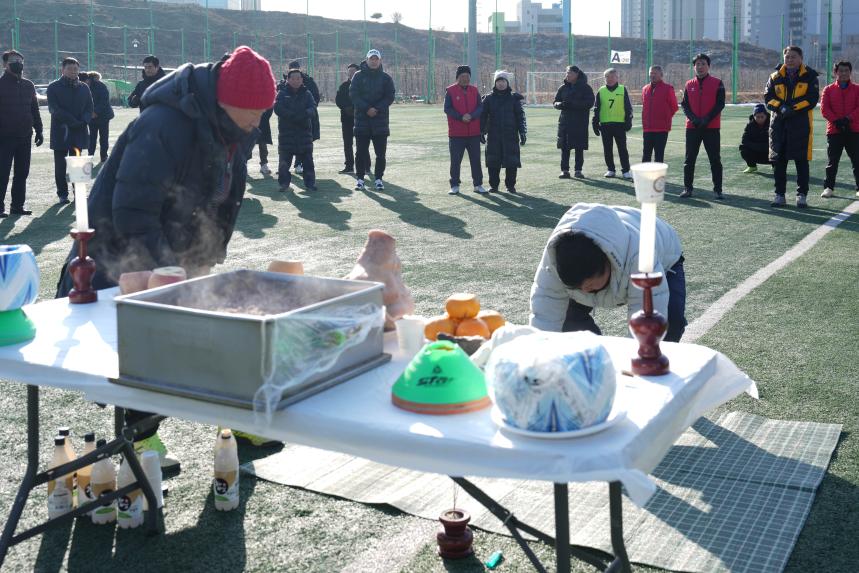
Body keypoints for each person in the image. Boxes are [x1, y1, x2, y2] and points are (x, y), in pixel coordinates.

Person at [55, 46, 276, 464]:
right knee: (145, 346)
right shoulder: (164, 123)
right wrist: (167, 273)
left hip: (176, 245)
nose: (258, 121)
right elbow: (132, 210)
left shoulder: (232, 129)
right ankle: (139, 439)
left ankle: (236, 418)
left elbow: (224, 198)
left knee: (221, 329)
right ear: (225, 99)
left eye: (264, 112)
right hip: (119, 253)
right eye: (254, 111)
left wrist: (208, 255)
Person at [529, 203, 686, 343]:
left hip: (664, 254)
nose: (584, 291)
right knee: (569, 318)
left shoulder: (640, 257)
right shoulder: (555, 259)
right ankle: (593, 359)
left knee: (670, 324)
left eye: (590, 284)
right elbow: (545, 313)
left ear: (608, 262)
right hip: (615, 235)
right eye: (576, 287)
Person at [765, 46, 819, 208]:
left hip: (800, 125)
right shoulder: (774, 77)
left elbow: (812, 98)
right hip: (778, 125)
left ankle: (801, 195)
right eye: (787, 57)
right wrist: (781, 107)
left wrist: (792, 108)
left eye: (793, 57)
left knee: (801, 162)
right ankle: (779, 195)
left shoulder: (810, 76)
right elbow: (768, 97)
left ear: (801, 58)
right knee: (778, 162)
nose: (790, 60)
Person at [0, 49, 43, 217]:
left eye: (20, 60)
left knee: (22, 172)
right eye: (13, 60)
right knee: (2, 173)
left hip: (25, 136)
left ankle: (17, 206)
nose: (18, 63)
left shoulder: (28, 85)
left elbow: (34, 109)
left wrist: (38, 130)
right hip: (4, 137)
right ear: (5, 64)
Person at [47, 57, 92, 206]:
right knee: (60, 166)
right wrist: (72, 121)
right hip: (61, 132)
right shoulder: (53, 87)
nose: (73, 72)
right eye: (70, 69)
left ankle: (78, 194)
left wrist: (84, 121)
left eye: (75, 69)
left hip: (78, 132)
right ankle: (62, 194)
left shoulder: (84, 87)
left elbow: (89, 108)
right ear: (63, 70)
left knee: (78, 164)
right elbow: (54, 109)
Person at [680, 53, 725, 200]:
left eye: (703, 64)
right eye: (697, 64)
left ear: (708, 66)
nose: (700, 67)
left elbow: (720, 104)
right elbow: (684, 105)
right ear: (694, 67)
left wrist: (707, 119)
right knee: (689, 160)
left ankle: (718, 190)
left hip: (711, 127)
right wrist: (693, 119)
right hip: (692, 127)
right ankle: (688, 188)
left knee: (715, 159)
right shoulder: (688, 84)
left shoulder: (718, 83)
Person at [350, 49, 395, 191]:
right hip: (362, 121)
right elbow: (353, 95)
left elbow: (389, 96)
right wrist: (367, 108)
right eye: (371, 59)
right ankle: (360, 179)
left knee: (380, 154)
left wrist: (376, 109)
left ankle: (378, 179)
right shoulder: (357, 76)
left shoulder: (386, 78)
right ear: (367, 60)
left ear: (380, 61)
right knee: (360, 153)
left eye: (376, 59)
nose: (374, 61)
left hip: (380, 122)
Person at [480, 70, 526, 194]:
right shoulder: (488, 99)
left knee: (512, 162)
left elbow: (520, 116)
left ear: (507, 82)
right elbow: (483, 116)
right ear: (495, 83)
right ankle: (494, 186)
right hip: (493, 136)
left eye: (503, 81)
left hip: (510, 135)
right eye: (498, 81)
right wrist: (481, 132)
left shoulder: (514, 98)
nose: (501, 83)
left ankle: (511, 186)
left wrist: (522, 132)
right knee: (493, 162)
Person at [819, 60, 859, 199]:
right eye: (840, 71)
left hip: (854, 130)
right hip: (834, 130)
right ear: (835, 73)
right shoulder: (828, 89)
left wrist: (848, 119)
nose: (843, 73)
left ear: (850, 72)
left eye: (846, 70)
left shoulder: (857, 89)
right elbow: (824, 109)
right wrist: (836, 121)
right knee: (832, 161)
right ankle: (829, 187)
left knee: (857, 160)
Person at [444, 64, 486, 195]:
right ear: (458, 77)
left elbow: (480, 107)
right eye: (462, 76)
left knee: (476, 160)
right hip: (456, 134)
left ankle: (478, 184)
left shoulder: (475, 90)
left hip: (473, 133)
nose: (465, 78)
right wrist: (461, 117)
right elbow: (447, 109)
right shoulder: (450, 91)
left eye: (467, 76)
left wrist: (471, 116)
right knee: (455, 161)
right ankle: (455, 185)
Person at [275, 68, 318, 192]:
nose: (295, 80)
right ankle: (284, 184)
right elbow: (278, 108)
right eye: (292, 78)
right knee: (284, 163)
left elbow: (313, 108)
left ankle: (310, 184)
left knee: (308, 162)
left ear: (302, 80)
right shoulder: (282, 93)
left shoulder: (307, 93)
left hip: (304, 133)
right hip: (286, 134)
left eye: (298, 78)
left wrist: (304, 114)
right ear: (287, 79)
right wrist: (291, 115)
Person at [554, 65, 594, 179]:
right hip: (565, 122)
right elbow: (555, 101)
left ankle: (578, 170)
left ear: (577, 74)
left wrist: (574, 105)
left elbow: (590, 102)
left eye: (570, 73)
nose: (567, 75)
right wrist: (559, 105)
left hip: (579, 122)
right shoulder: (562, 88)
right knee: (564, 147)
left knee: (579, 147)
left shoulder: (586, 88)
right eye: (567, 73)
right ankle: (564, 170)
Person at [592, 68, 633, 180]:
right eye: (607, 77)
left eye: (612, 77)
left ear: (617, 77)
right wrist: (595, 122)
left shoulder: (622, 89)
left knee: (622, 149)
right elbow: (597, 108)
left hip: (620, 125)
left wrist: (628, 121)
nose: (609, 79)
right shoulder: (601, 90)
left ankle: (626, 170)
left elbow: (628, 107)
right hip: (605, 125)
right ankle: (611, 169)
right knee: (607, 149)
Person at [286, 60, 320, 175]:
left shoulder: (309, 81)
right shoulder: (284, 83)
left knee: (304, 143)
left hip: (306, 119)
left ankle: (299, 163)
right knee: (288, 142)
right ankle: (285, 166)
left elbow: (315, 98)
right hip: (289, 120)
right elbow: (278, 101)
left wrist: (306, 112)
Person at [641, 65, 678, 163]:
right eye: (651, 73)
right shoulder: (645, 89)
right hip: (648, 128)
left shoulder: (668, 88)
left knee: (659, 156)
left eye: (655, 73)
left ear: (661, 75)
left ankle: (658, 178)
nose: (652, 75)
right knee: (646, 155)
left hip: (661, 129)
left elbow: (674, 107)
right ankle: (645, 177)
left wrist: (665, 117)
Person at [82, 71, 114, 163]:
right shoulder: (83, 87)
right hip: (91, 117)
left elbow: (104, 101)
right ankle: (90, 156)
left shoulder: (100, 86)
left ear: (88, 79)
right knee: (92, 138)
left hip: (103, 116)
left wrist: (96, 111)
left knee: (103, 137)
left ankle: (104, 156)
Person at [335, 63, 360, 173]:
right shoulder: (343, 86)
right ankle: (349, 166)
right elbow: (338, 100)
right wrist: (346, 108)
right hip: (346, 119)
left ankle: (365, 166)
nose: (351, 74)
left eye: (353, 72)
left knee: (362, 143)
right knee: (347, 143)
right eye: (349, 72)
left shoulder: (363, 85)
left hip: (360, 118)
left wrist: (356, 109)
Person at [739, 103, 771, 173]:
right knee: (743, 148)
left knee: (780, 148)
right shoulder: (750, 125)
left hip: (770, 152)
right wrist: (758, 147)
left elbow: (777, 140)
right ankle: (752, 166)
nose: (760, 119)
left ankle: (776, 167)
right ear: (754, 116)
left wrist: (764, 147)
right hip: (757, 151)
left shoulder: (773, 124)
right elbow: (744, 140)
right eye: (757, 117)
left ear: (766, 115)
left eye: (762, 117)